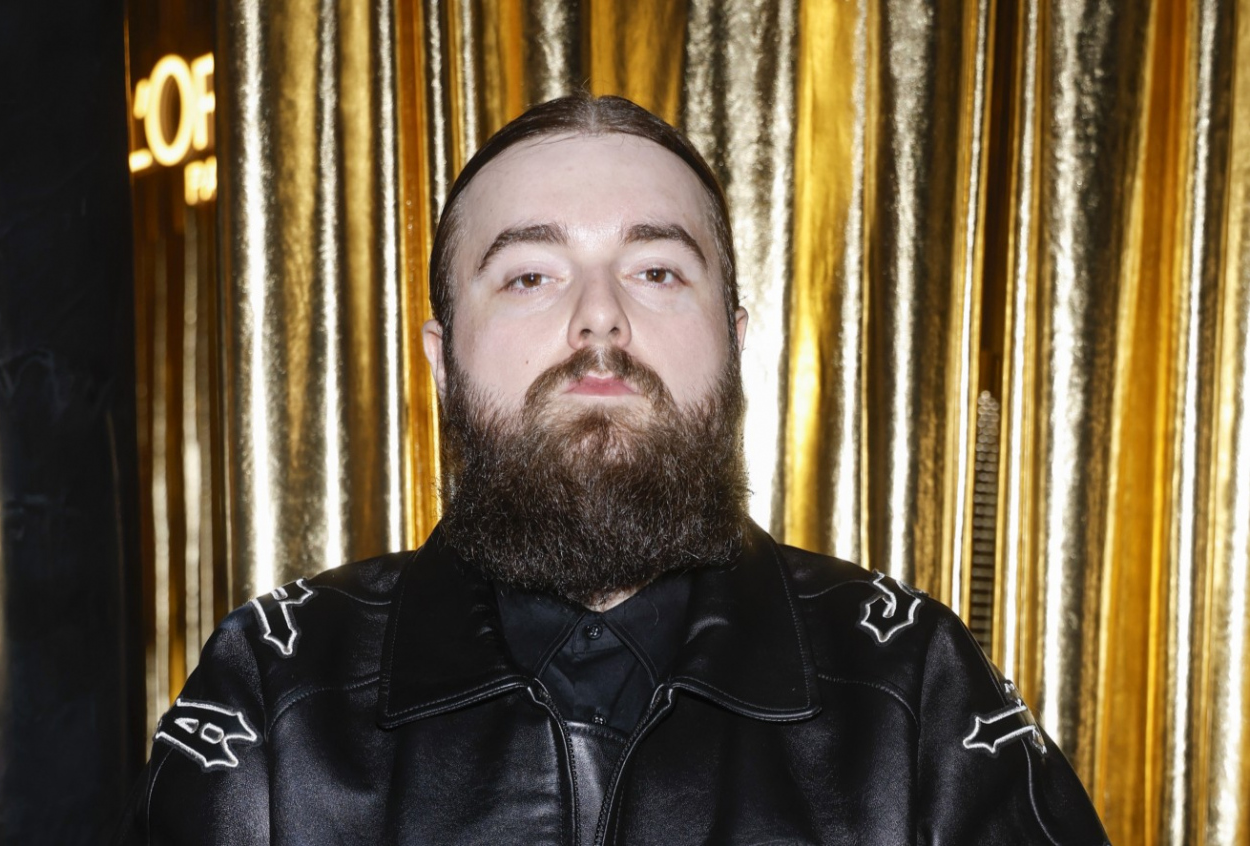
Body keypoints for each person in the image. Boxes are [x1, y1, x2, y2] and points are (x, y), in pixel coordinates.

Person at [118, 94, 1110, 845]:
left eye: (656, 271)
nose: (600, 320)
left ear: (733, 345)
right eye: (530, 276)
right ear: (441, 363)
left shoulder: (912, 685)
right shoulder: (278, 689)